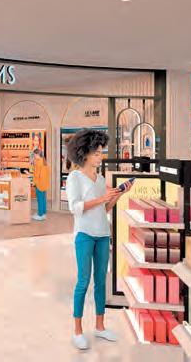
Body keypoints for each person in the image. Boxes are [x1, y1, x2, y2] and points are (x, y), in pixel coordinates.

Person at [65, 129, 128, 350]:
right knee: (83, 282)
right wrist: (102, 198)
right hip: (84, 234)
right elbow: (75, 208)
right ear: (85, 153)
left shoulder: (100, 179)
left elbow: (105, 209)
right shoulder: (74, 178)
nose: (101, 156)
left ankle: (100, 327)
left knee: (101, 282)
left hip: (102, 234)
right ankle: (78, 331)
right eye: (97, 153)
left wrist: (118, 195)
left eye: (101, 152)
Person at [32, 148, 50, 221]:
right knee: (43, 199)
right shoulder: (44, 161)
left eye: (34, 155)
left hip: (39, 184)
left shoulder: (38, 162)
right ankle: (43, 214)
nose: (34, 156)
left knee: (39, 199)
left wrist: (34, 181)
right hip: (44, 183)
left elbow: (37, 174)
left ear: (37, 154)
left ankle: (40, 215)